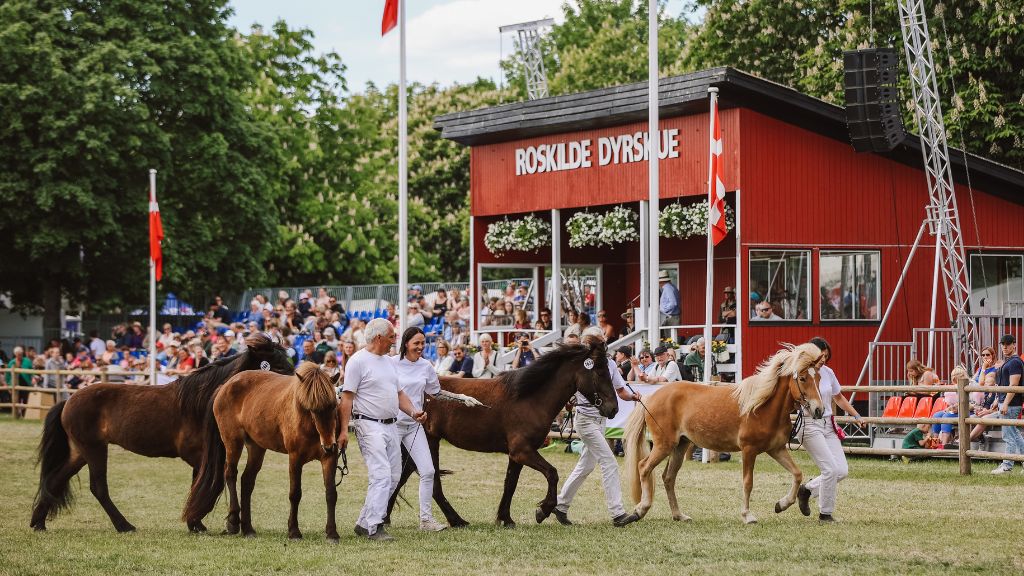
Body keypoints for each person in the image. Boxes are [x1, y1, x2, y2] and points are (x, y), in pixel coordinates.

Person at [541, 326, 641, 528]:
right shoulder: (580, 364)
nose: (602, 345)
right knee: (609, 462)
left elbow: (620, 390)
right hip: (585, 419)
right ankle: (617, 512)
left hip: (601, 420)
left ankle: (560, 505)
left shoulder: (610, 364)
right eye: (600, 342)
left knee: (585, 465)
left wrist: (632, 397)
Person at [339, 318, 427, 541]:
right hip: (368, 424)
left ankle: (363, 522)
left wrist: (414, 412)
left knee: (394, 476)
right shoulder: (357, 362)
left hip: (391, 424)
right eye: (391, 337)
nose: (394, 341)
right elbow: (347, 399)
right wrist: (342, 432)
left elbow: (399, 395)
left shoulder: (388, 362)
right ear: (379, 337)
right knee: (381, 475)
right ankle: (375, 526)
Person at [797, 337, 864, 523]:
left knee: (841, 470)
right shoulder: (802, 373)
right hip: (810, 425)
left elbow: (839, 397)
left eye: (826, 355)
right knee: (830, 469)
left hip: (828, 424)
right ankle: (825, 514)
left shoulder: (828, 372)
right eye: (820, 355)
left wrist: (856, 416)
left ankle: (807, 490)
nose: (824, 359)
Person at [394, 327, 447, 531]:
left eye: (423, 343)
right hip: (393, 425)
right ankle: (373, 519)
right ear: (406, 343)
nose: (420, 347)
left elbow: (435, 393)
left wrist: (425, 412)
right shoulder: (391, 363)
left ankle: (426, 520)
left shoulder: (426, 366)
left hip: (414, 427)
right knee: (389, 475)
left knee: (428, 471)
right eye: (416, 343)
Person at [991, 334, 1023, 474]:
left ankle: (1007, 466)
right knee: (1014, 434)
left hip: (1011, 404)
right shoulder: (1009, 361)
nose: (1004, 346)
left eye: (1008, 344)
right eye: (1003, 344)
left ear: (1014, 345)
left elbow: (1014, 385)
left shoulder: (1015, 362)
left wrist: (1005, 403)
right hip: (1006, 402)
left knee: (1009, 436)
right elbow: (1004, 384)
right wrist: (998, 400)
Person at [6, 346, 33, 418]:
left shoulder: (27, 361)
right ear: (15, 354)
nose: (19, 355)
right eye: (17, 354)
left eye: (20, 354)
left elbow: (32, 371)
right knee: (16, 400)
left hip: (26, 384)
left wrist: (33, 378)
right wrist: (8, 385)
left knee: (25, 400)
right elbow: (7, 376)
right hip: (15, 385)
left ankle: (24, 415)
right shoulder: (11, 362)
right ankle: (16, 415)